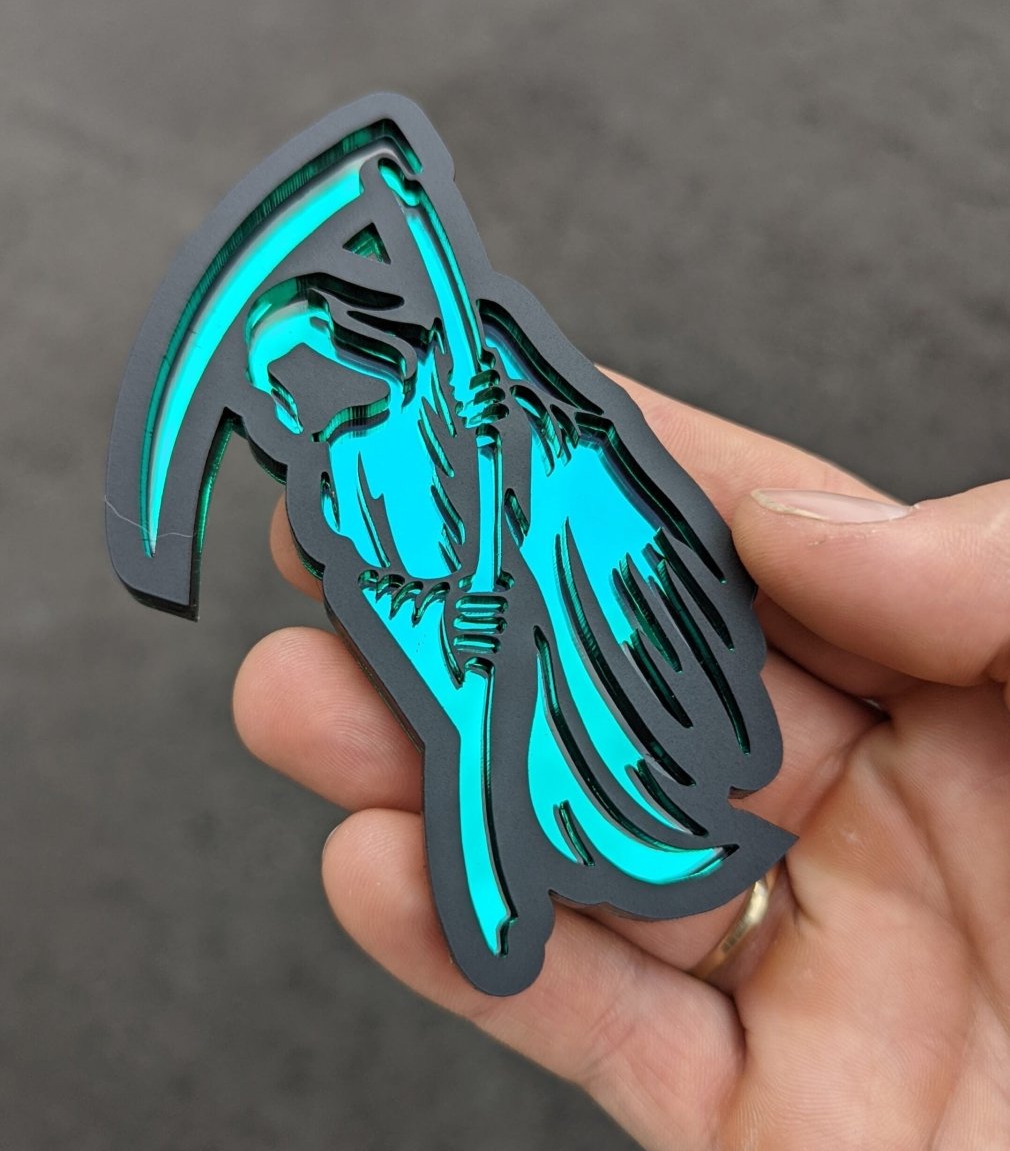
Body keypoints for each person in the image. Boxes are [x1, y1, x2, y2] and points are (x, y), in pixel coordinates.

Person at [233, 370, 1010, 1149]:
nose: (299, 396)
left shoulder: (445, 389)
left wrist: (499, 427)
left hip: (574, 595)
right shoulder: (335, 489)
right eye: (279, 393)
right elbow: (377, 591)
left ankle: (661, 784)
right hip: (499, 675)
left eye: (300, 371)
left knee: (623, 667)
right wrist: (448, 621)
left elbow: (554, 462)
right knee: (546, 777)